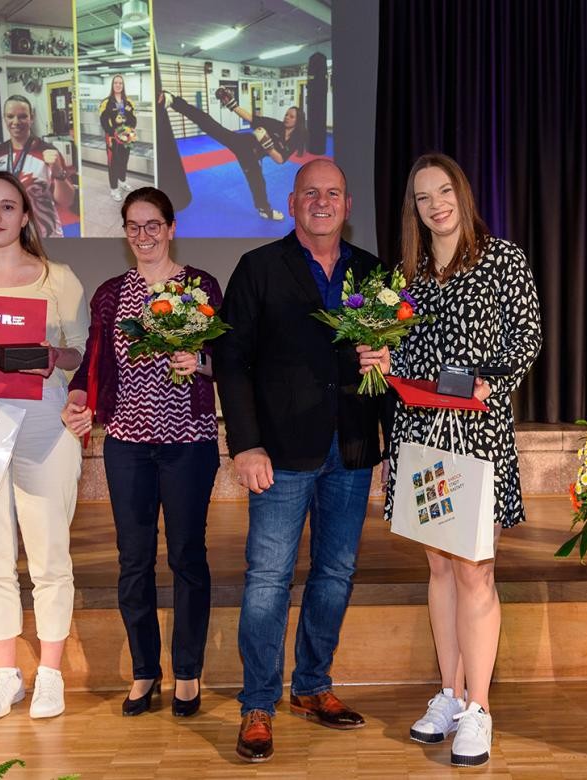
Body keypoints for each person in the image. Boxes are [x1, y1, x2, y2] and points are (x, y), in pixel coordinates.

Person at [213, 159, 386, 763]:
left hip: (355, 447)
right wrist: (245, 444)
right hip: (280, 453)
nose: (321, 201)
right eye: (310, 192)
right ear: (292, 204)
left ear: (346, 203)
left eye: (332, 192)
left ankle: (312, 687)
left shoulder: (372, 270)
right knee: (267, 580)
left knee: (335, 574)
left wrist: (384, 431)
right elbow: (232, 363)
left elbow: (386, 362)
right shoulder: (258, 268)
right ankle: (258, 703)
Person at [383, 153, 542, 767]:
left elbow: (525, 342)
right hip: (419, 435)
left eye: (443, 191)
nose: (435, 205)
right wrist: (380, 359)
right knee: (440, 571)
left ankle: (478, 708)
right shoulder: (409, 276)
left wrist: (482, 381)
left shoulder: (503, 259)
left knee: (475, 571)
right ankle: (448, 694)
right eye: (422, 197)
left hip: (473, 434)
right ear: (414, 210)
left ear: (462, 194)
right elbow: (401, 354)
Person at [62, 187, 221, 717]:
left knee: (186, 557)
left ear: (172, 228)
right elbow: (93, 360)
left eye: (153, 225)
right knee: (133, 561)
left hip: (189, 442)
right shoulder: (110, 293)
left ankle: (188, 671)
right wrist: (78, 397)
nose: (144, 236)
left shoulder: (201, 286)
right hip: (126, 443)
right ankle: (145, 670)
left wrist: (195, 360)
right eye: (134, 226)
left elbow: (224, 358)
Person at [0, 171, 89, 720]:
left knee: (50, 553)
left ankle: (50, 673)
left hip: (44, 422)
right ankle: (7, 673)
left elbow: (79, 355)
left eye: (8, 206)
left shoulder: (59, 278)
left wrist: (54, 355)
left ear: (26, 216)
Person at [159, 88, 306, 222]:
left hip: (252, 157)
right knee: (209, 124)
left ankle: (265, 210)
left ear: (297, 121)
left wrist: (268, 145)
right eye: (286, 114)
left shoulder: (295, 140)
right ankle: (174, 101)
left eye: (291, 116)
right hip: (242, 143)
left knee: (258, 183)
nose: (287, 117)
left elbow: (279, 160)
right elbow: (250, 118)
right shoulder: (275, 125)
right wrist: (232, 105)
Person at [0, 94, 75, 238]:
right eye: (10, 116)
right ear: (4, 118)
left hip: (45, 235)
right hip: (10, 236)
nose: (16, 121)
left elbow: (67, 201)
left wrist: (58, 171)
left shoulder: (48, 152)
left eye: (22, 116)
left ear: (31, 118)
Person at [99, 75, 137, 203]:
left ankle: (122, 181)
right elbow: (104, 122)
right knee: (113, 163)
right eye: (116, 83)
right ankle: (114, 189)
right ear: (112, 85)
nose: (118, 85)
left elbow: (134, 119)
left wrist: (129, 130)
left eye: (120, 83)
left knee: (124, 160)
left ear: (123, 85)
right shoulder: (106, 103)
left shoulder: (129, 102)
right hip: (112, 138)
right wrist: (114, 133)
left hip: (126, 138)